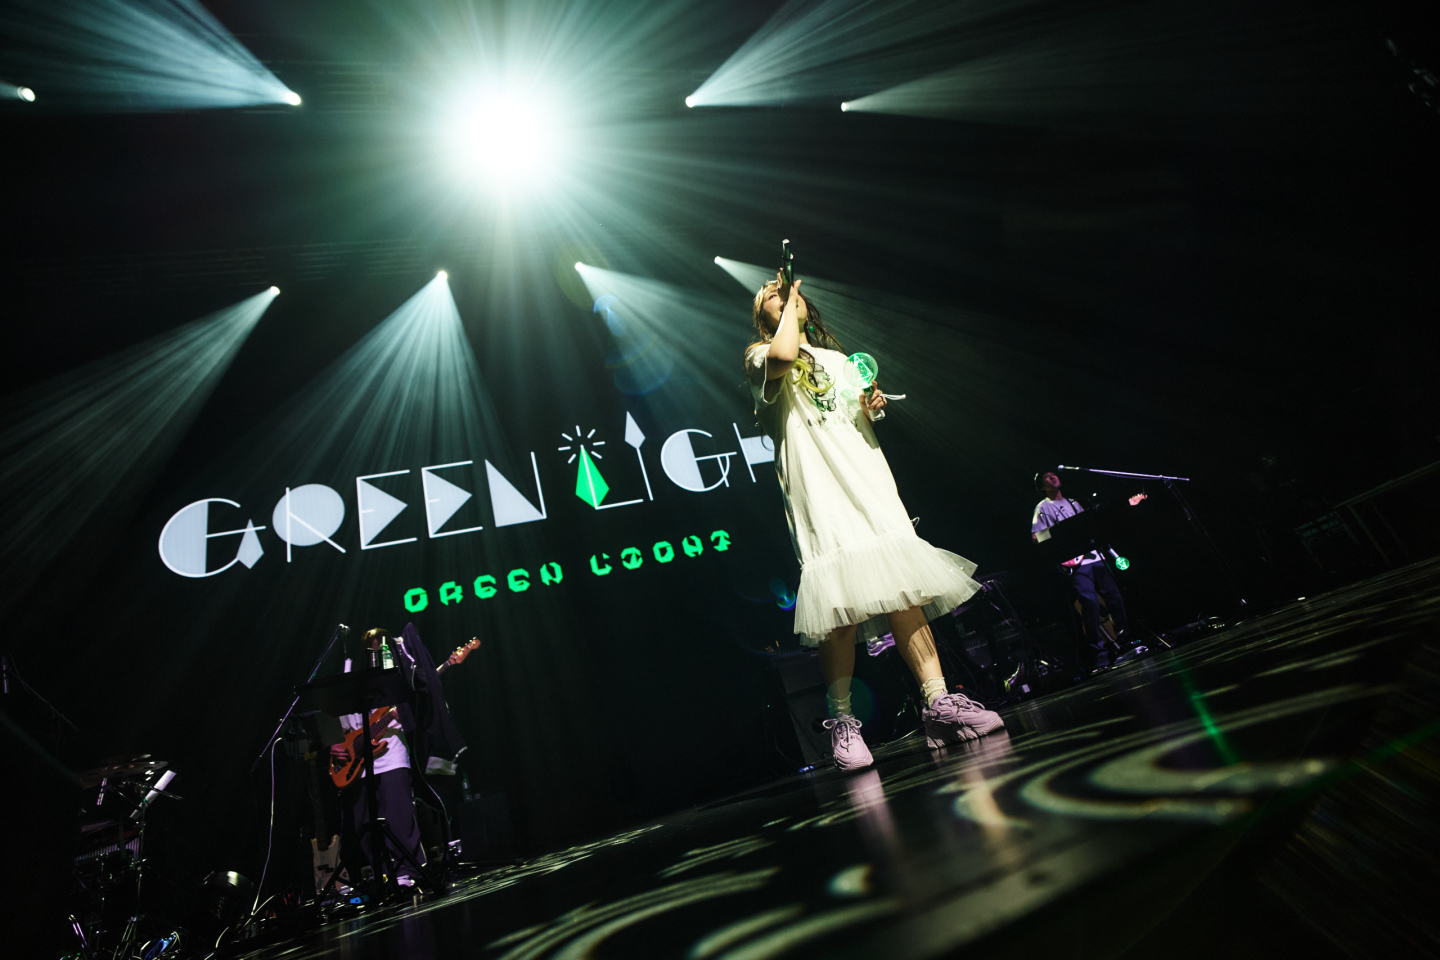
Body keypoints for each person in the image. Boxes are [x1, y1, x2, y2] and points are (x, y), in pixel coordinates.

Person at [745, 270, 1003, 771]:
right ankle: (843, 722)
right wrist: (790, 305)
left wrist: (870, 405)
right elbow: (784, 355)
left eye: (788, 292)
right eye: (771, 296)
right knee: (839, 610)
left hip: (868, 485)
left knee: (905, 593)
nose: (782, 294)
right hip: (821, 495)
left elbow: (856, 417)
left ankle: (939, 705)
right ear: (764, 318)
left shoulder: (839, 360)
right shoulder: (761, 356)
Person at [331, 625, 459, 888]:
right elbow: (340, 727)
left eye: (381, 645)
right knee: (363, 825)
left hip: (391, 755)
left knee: (399, 817)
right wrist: (334, 746)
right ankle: (382, 873)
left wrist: (406, 708)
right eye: (371, 646)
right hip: (356, 763)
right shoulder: (349, 679)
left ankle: (409, 872)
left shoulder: (396, 674)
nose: (376, 649)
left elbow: (420, 687)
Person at [1030, 470, 1144, 672]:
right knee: (1090, 603)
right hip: (1076, 563)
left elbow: (1089, 527)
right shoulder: (1043, 508)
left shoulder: (1074, 502)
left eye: (1053, 474)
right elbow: (1036, 537)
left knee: (1114, 597)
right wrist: (1063, 553)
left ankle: (1126, 642)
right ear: (1042, 486)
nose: (1052, 477)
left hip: (1095, 557)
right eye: (1046, 477)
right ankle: (1099, 655)